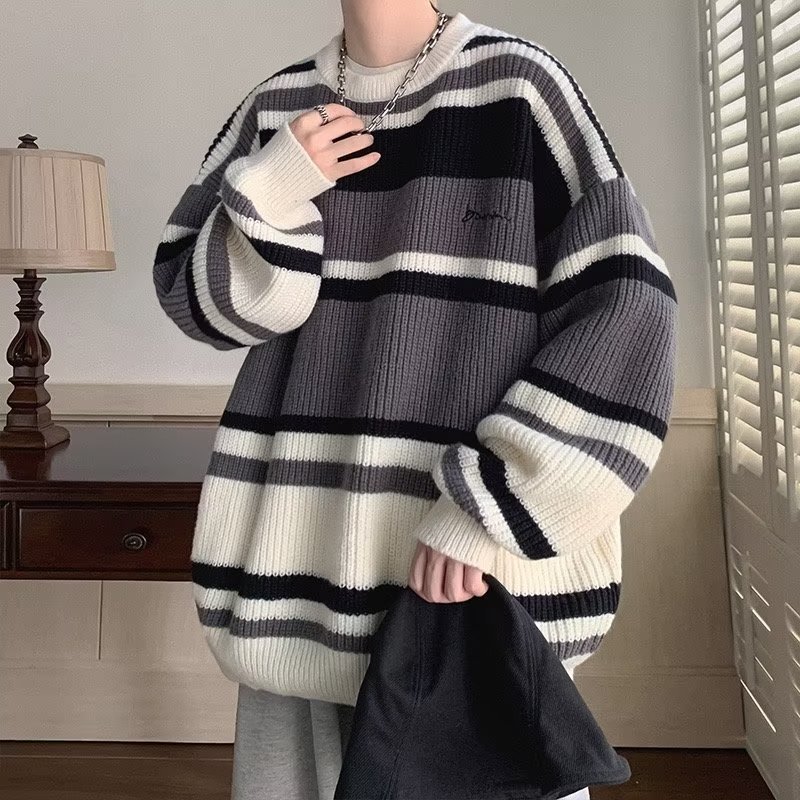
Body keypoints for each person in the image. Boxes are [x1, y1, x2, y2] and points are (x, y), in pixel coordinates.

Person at [152, 1, 678, 798]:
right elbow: (211, 311)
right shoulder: (277, 104)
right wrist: (270, 193)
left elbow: (627, 310)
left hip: (469, 576)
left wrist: (486, 510)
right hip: (301, 557)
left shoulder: (519, 88)